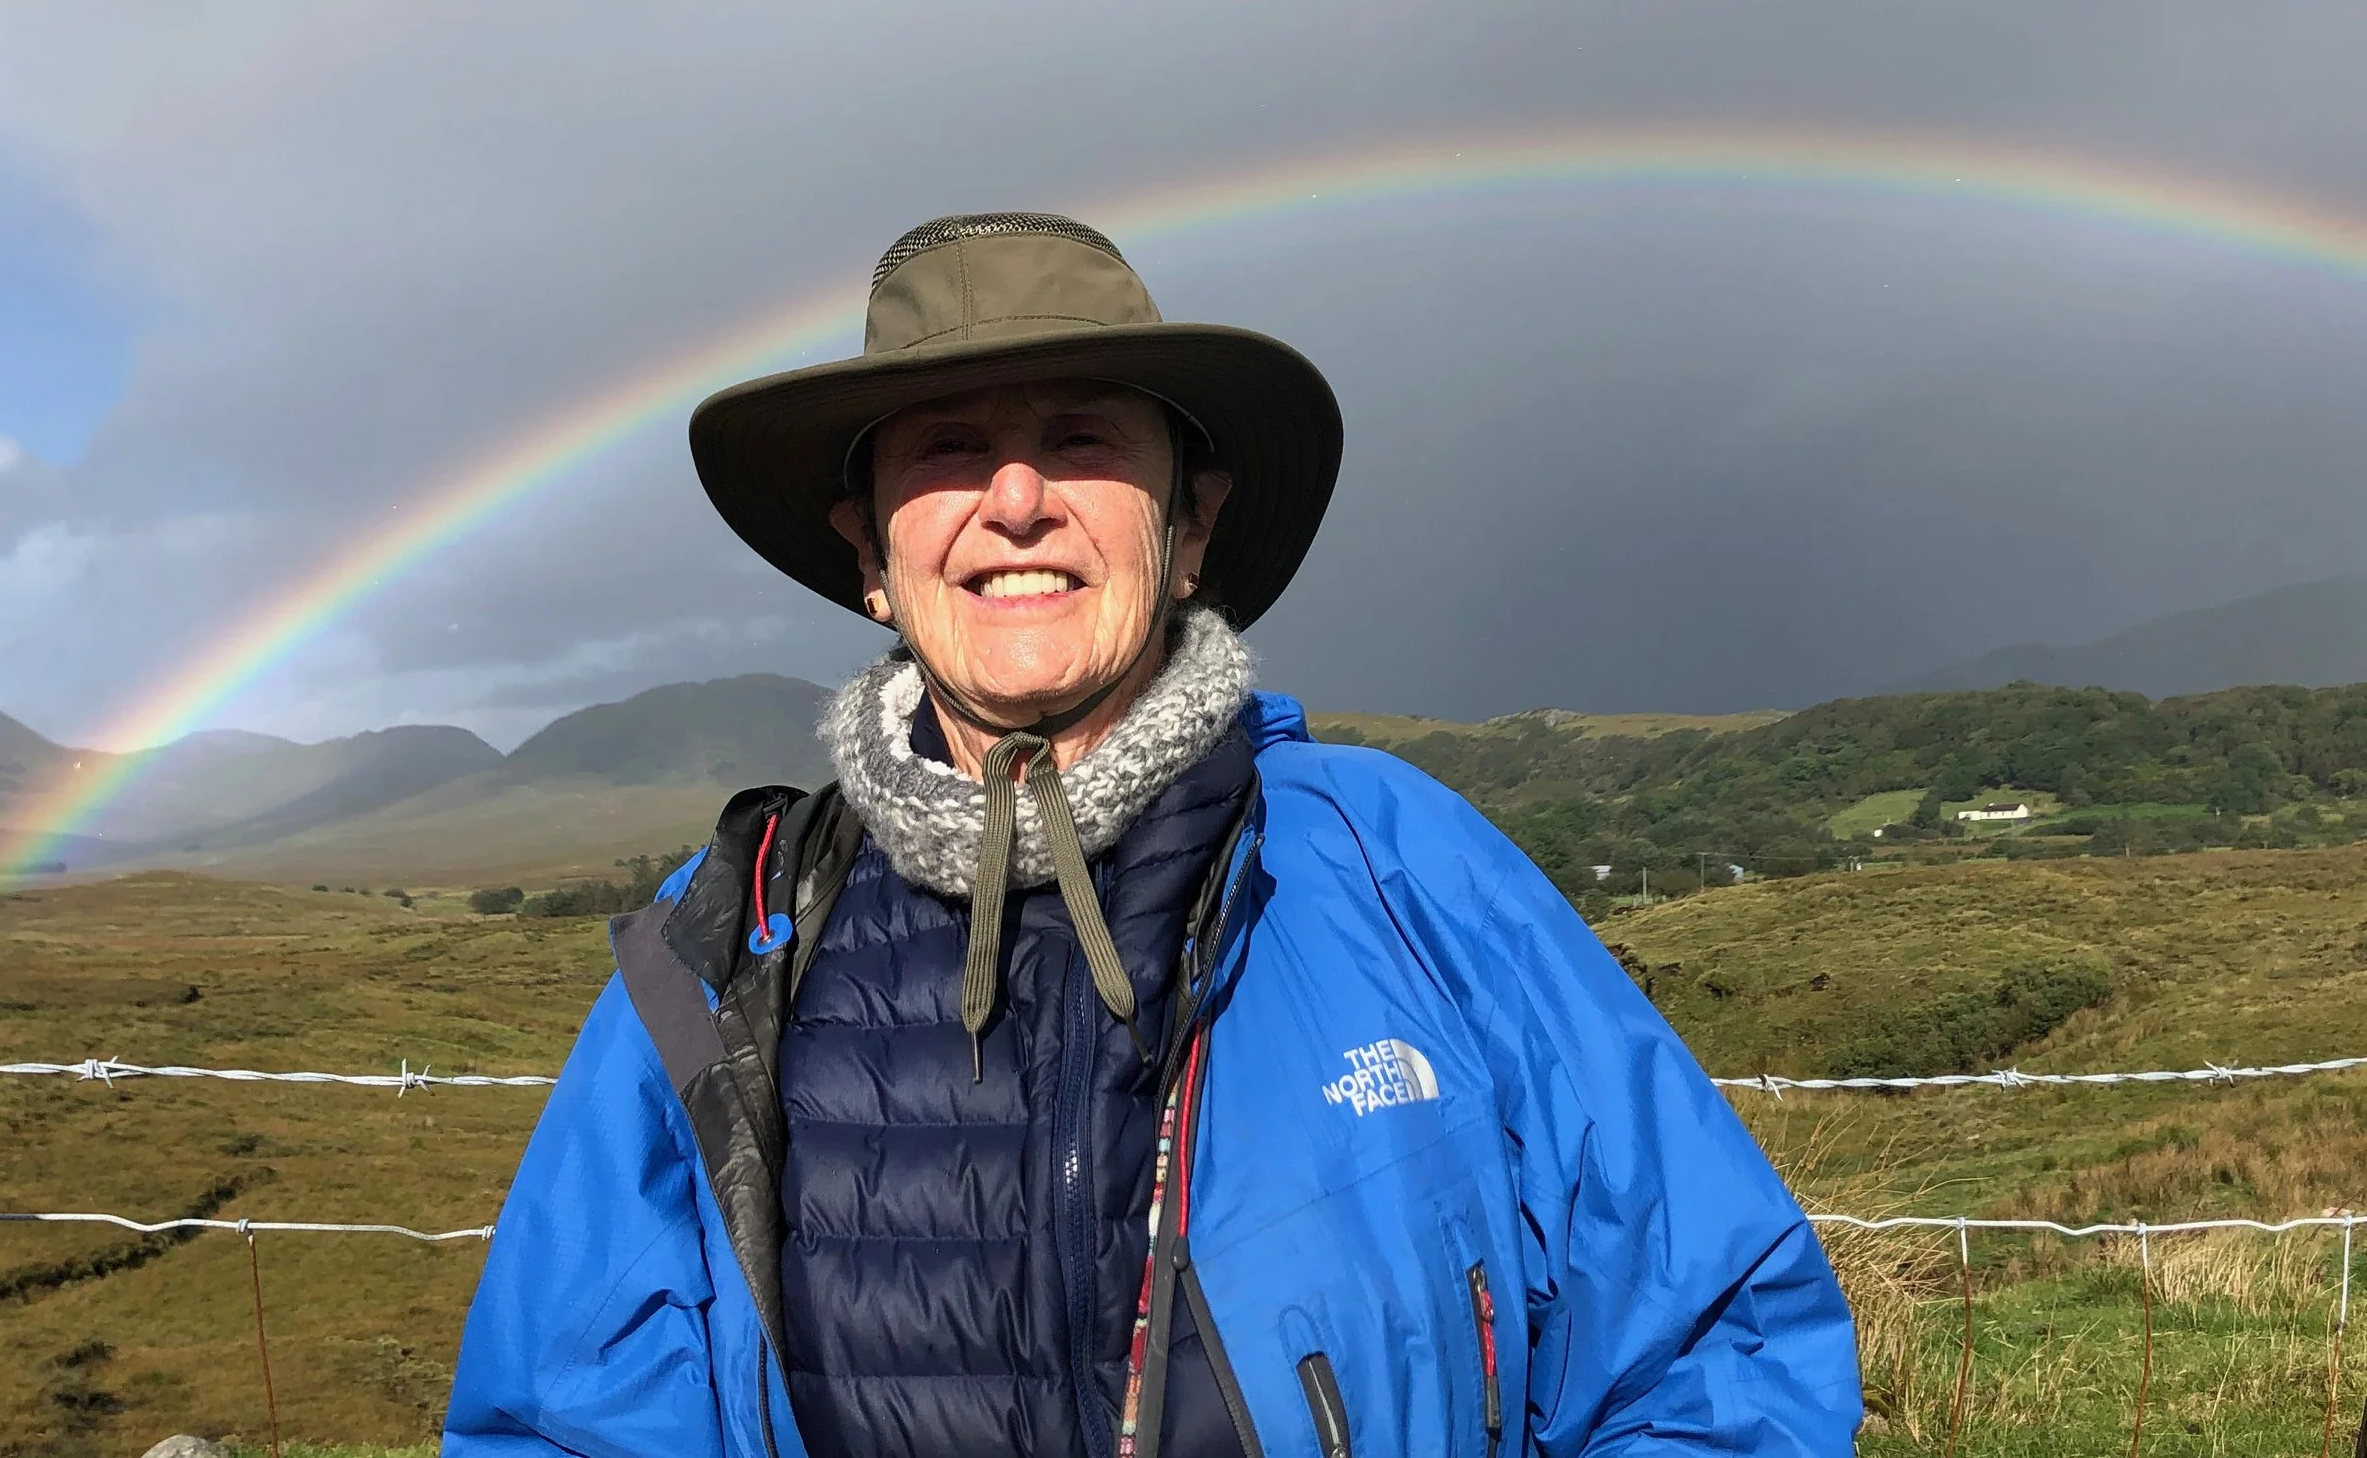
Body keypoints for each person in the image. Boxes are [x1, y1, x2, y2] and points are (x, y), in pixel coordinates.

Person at [443, 213, 1861, 1456]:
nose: (1013, 499)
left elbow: (1715, 1345)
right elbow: (559, 1422)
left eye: (1079, 436)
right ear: (870, 557)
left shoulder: (1404, 863)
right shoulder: (724, 950)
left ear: (1189, 529)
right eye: (948, 448)